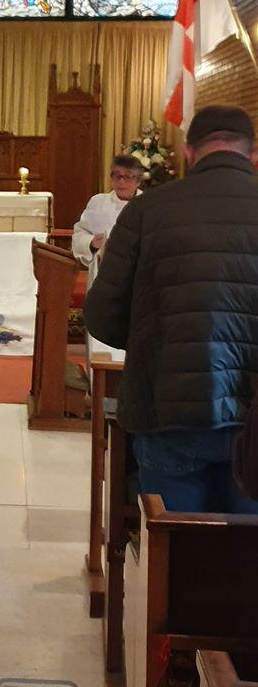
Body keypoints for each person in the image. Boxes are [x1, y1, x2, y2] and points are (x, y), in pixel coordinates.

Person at [84, 105, 258, 514]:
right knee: (244, 560)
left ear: (188, 151)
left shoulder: (147, 210)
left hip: (169, 404)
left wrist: (157, 341)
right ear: (253, 155)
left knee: (173, 554)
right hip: (255, 416)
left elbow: (103, 313)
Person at [72, 154, 143, 266]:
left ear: (138, 181)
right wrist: (91, 243)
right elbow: (79, 234)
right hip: (102, 269)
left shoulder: (147, 206)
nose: (121, 181)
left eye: (128, 176)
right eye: (117, 175)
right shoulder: (98, 202)